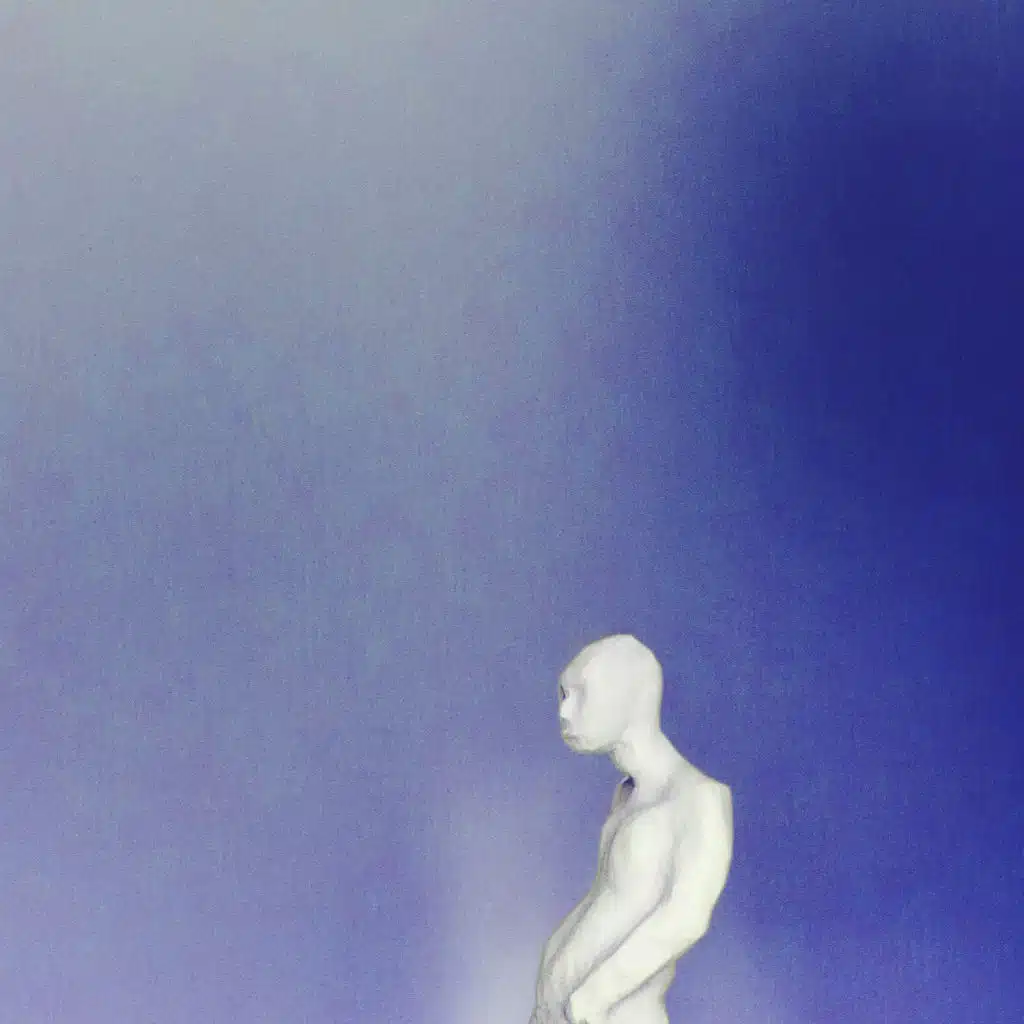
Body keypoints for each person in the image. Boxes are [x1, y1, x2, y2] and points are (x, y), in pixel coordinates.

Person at [531, 635, 733, 1024]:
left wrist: (594, 996)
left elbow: (685, 917)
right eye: (563, 695)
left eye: (582, 694)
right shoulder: (627, 797)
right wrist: (550, 991)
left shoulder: (701, 798)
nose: (565, 712)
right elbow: (608, 898)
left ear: (631, 696)